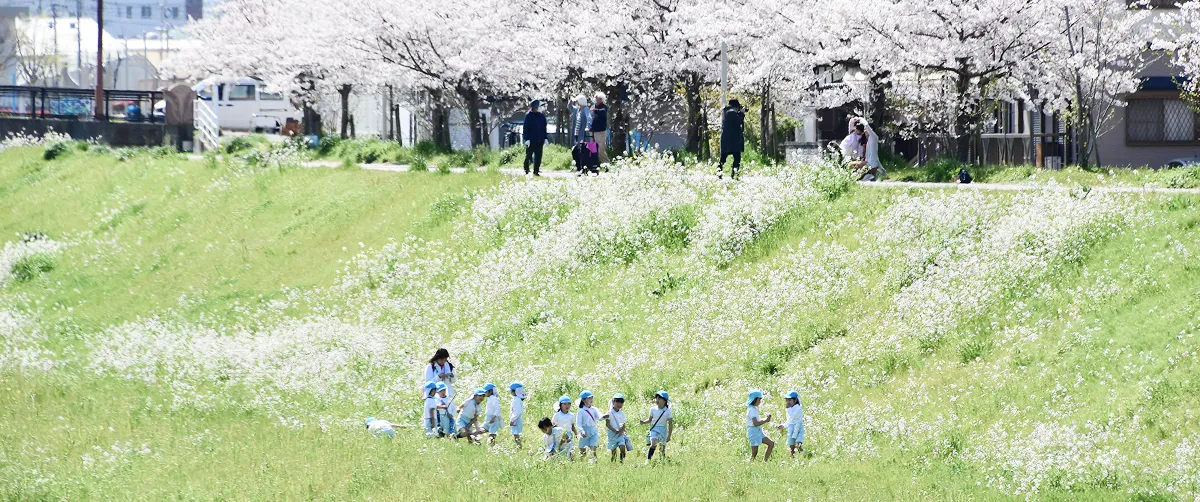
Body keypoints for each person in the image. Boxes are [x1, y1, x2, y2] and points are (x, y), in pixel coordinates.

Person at [640, 390, 673, 461]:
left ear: (664, 401)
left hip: (663, 430)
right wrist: (643, 422)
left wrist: (669, 435)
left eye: (659, 398)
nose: (657, 400)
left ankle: (662, 460)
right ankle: (648, 460)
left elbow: (670, 424)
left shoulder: (668, 411)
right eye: (656, 398)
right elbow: (650, 420)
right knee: (653, 443)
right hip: (654, 429)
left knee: (662, 448)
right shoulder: (653, 409)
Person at [719, 99, 747, 180]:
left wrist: (740, 113)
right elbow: (739, 121)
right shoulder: (731, 112)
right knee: (736, 158)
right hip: (733, 140)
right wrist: (741, 113)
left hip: (727, 139)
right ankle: (734, 175)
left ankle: (720, 173)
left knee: (723, 158)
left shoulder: (726, 111)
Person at [746, 390, 775, 461]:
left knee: (771, 444)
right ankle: (749, 465)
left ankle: (765, 462)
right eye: (759, 399)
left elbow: (756, 421)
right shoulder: (752, 409)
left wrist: (766, 418)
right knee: (754, 453)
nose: (760, 401)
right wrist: (766, 420)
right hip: (753, 432)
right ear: (754, 399)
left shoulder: (753, 408)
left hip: (758, 431)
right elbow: (755, 423)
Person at [604, 393, 632, 463]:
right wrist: (614, 430)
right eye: (617, 402)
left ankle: (621, 461)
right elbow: (607, 424)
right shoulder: (609, 413)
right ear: (613, 402)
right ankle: (613, 462)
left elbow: (624, 424)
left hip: (620, 434)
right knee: (613, 451)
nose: (619, 404)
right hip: (612, 434)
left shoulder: (622, 413)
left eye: (621, 402)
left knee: (622, 448)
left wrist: (622, 430)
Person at [522, 100, 548, 176]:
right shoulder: (528, 116)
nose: (541, 108)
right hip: (531, 140)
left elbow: (544, 128)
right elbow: (525, 128)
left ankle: (536, 171)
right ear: (535, 107)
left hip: (540, 139)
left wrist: (545, 138)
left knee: (538, 156)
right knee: (528, 155)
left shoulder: (542, 116)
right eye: (540, 106)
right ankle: (526, 169)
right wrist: (526, 139)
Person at [776, 390, 804, 457]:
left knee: (798, 442)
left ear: (795, 400)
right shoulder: (789, 408)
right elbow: (789, 420)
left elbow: (793, 416)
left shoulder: (798, 407)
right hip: (791, 427)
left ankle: (801, 451)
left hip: (798, 427)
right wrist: (783, 425)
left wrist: (788, 409)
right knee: (791, 442)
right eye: (787, 400)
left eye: (790, 400)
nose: (788, 402)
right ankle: (792, 455)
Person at [576, 391, 601, 460]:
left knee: (593, 449)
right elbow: (579, 423)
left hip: (593, 431)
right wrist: (582, 431)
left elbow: (600, 417)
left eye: (592, 398)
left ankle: (594, 464)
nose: (591, 400)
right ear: (583, 400)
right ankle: (582, 465)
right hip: (585, 432)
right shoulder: (581, 411)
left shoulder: (594, 409)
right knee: (583, 452)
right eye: (589, 398)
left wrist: (605, 416)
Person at [590, 92, 610, 167]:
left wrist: (596, 110)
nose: (595, 99)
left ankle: (606, 164)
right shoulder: (593, 107)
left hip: (601, 132)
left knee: (601, 150)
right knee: (593, 149)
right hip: (593, 131)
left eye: (597, 98)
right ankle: (594, 165)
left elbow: (603, 112)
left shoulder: (604, 107)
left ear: (601, 99)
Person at [509, 382, 527, 448]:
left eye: (511, 391)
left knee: (516, 434)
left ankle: (519, 446)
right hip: (517, 418)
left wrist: (512, 419)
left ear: (515, 391)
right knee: (516, 434)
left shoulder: (516, 400)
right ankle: (519, 446)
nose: (510, 392)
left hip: (516, 418)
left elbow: (517, 411)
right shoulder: (517, 399)